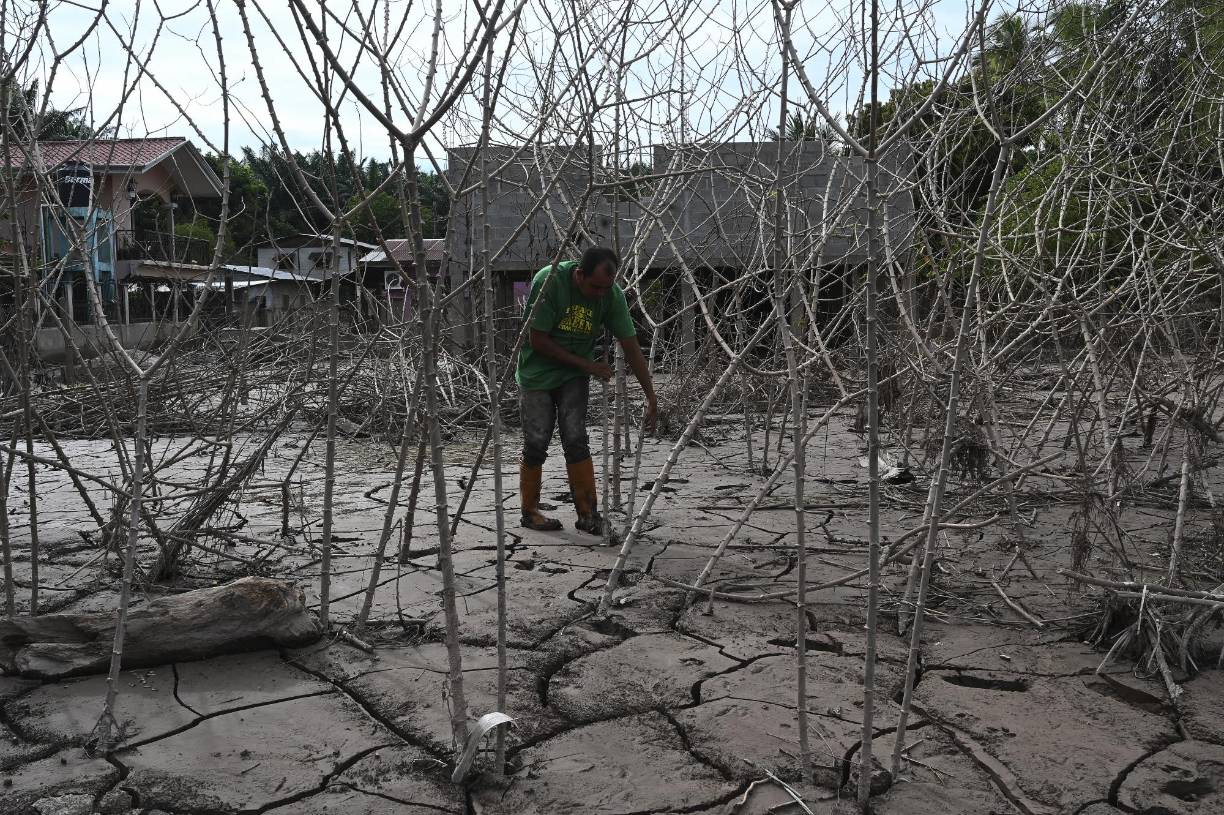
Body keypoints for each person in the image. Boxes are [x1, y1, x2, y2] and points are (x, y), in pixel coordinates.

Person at [516, 246, 657, 535]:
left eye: (607, 288)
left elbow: (631, 347)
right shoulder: (550, 281)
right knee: (536, 441)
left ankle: (588, 514)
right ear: (579, 275)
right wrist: (589, 365)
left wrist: (651, 396)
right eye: (596, 287)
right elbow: (537, 340)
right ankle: (530, 512)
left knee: (576, 438)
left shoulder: (610, 294)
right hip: (536, 373)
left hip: (574, 375)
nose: (601, 294)